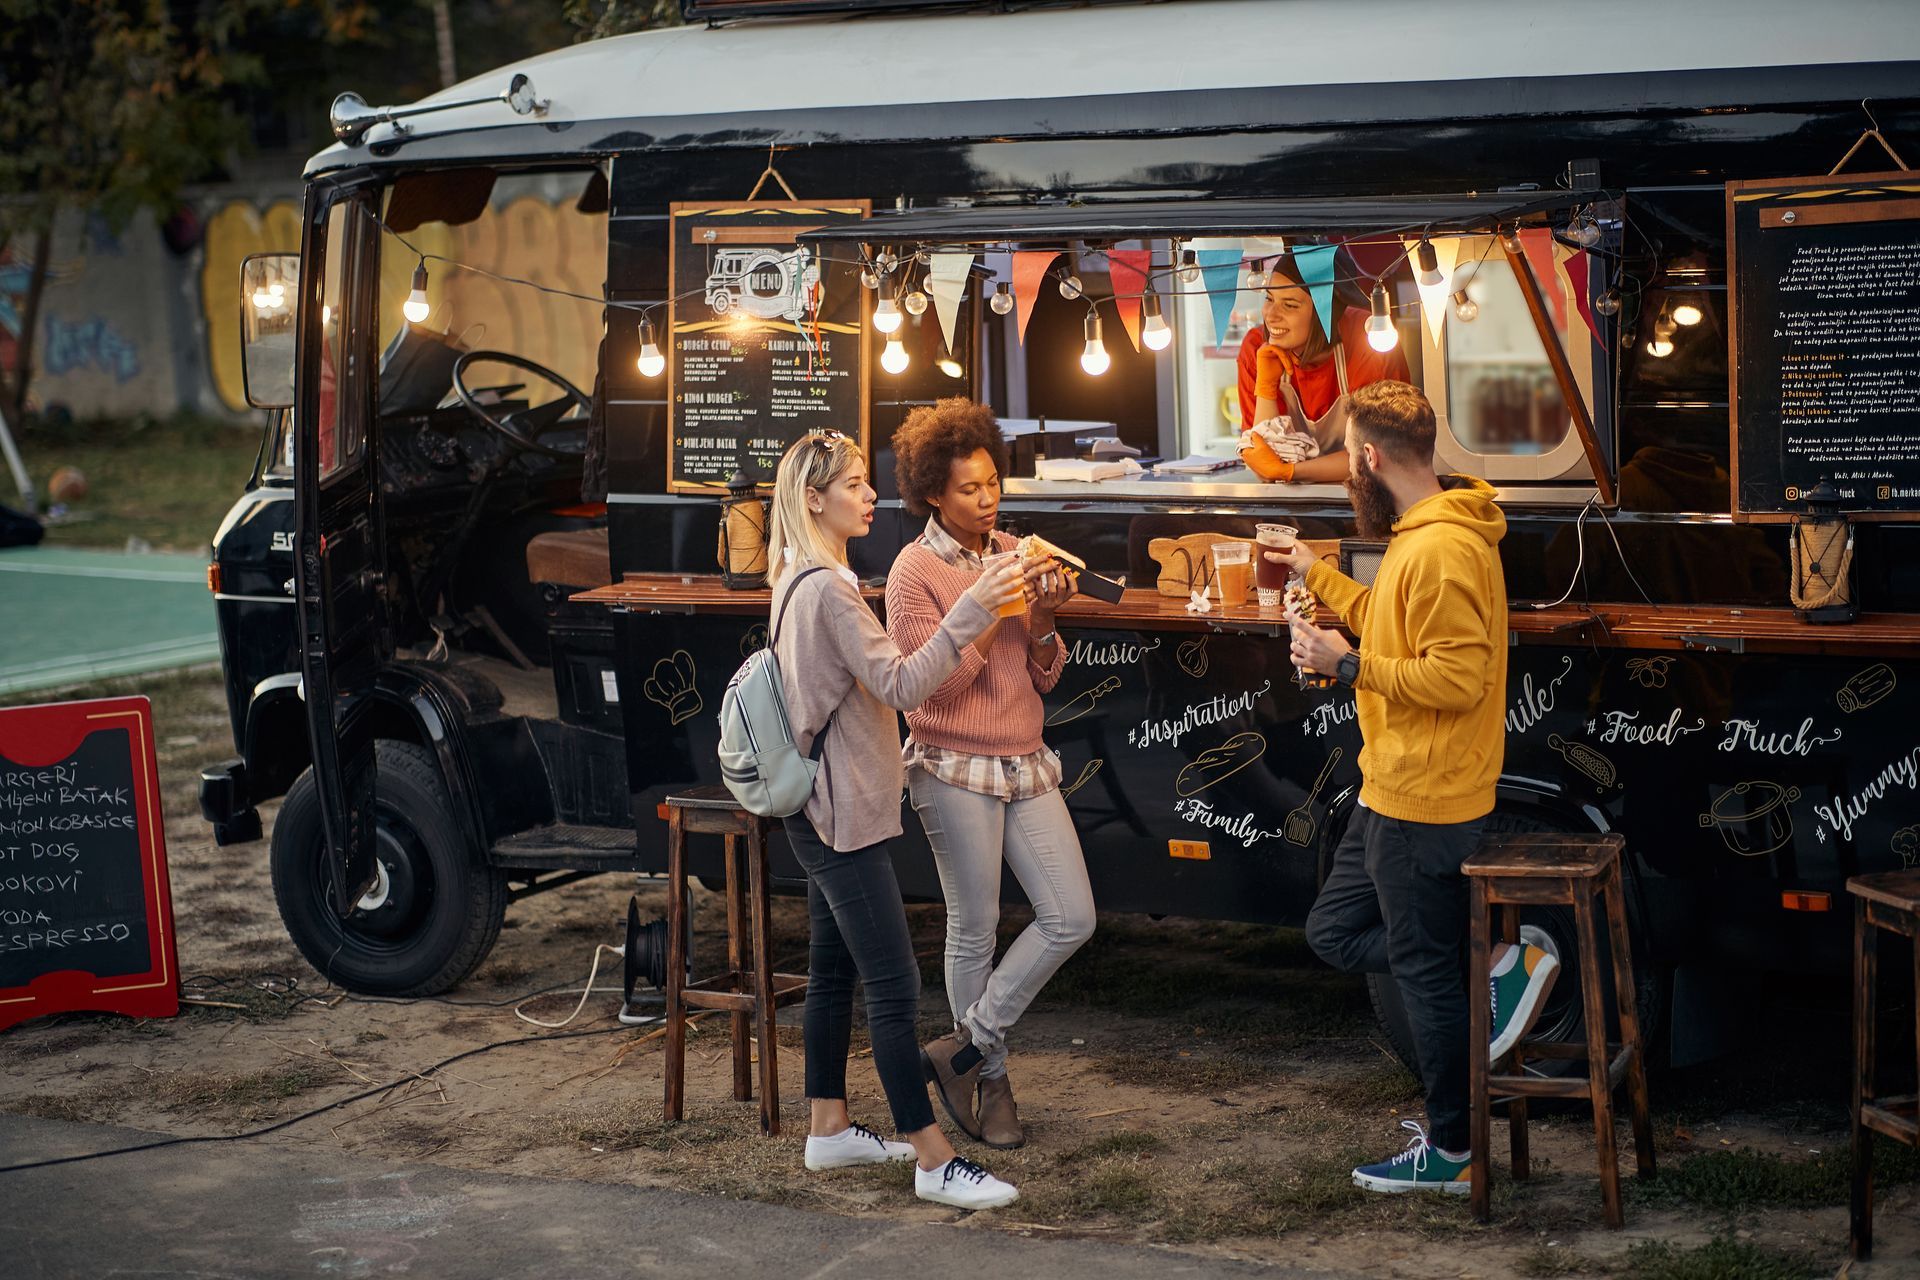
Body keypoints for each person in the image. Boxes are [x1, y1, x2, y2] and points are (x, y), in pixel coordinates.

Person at [1263, 380, 1556, 1195]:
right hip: (1391, 787)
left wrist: (1342, 664)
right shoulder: (1430, 533)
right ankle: (1493, 963)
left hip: (1424, 797)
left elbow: (1456, 678)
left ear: (1366, 455)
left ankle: (1454, 1149)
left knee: (1425, 978)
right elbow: (1400, 624)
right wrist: (1318, 577)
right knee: (1333, 931)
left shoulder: (1438, 547)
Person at [766, 427, 1030, 1209]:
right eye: (853, 484)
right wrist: (973, 611)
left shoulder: (798, 575)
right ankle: (932, 1158)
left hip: (817, 804)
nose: (869, 493)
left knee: (833, 969)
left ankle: (828, 1127)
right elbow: (906, 686)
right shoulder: (827, 590)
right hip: (841, 812)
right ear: (816, 499)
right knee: (893, 982)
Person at [885, 398, 1094, 1150]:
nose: (987, 500)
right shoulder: (913, 573)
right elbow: (923, 690)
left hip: (1024, 758)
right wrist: (977, 615)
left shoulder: (1013, 549)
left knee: (1072, 914)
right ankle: (991, 1078)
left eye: (993, 483)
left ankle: (964, 1046)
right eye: (969, 490)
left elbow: (1039, 678)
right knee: (973, 927)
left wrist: (1039, 626)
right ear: (933, 494)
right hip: (951, 764)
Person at [1236, 253, 1409, 484]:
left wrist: (1290, 472)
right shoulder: (1256, 347)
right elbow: (1262, 462)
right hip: (1291, 501)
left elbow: (1377, 456)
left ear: (1323, 314)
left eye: (1289, 305)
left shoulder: (1369, 341)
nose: (1271, 316)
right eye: (1269, 299)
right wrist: (1266, 386)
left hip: (1368, 495)